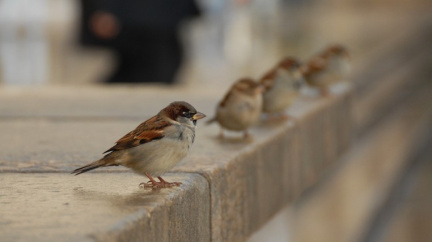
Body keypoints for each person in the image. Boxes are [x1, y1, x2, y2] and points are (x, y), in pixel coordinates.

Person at [79, 0, 200, 84]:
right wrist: (102, 7)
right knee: (156, 69)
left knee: (158, 68)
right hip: (134, 16)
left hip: (158, 19)